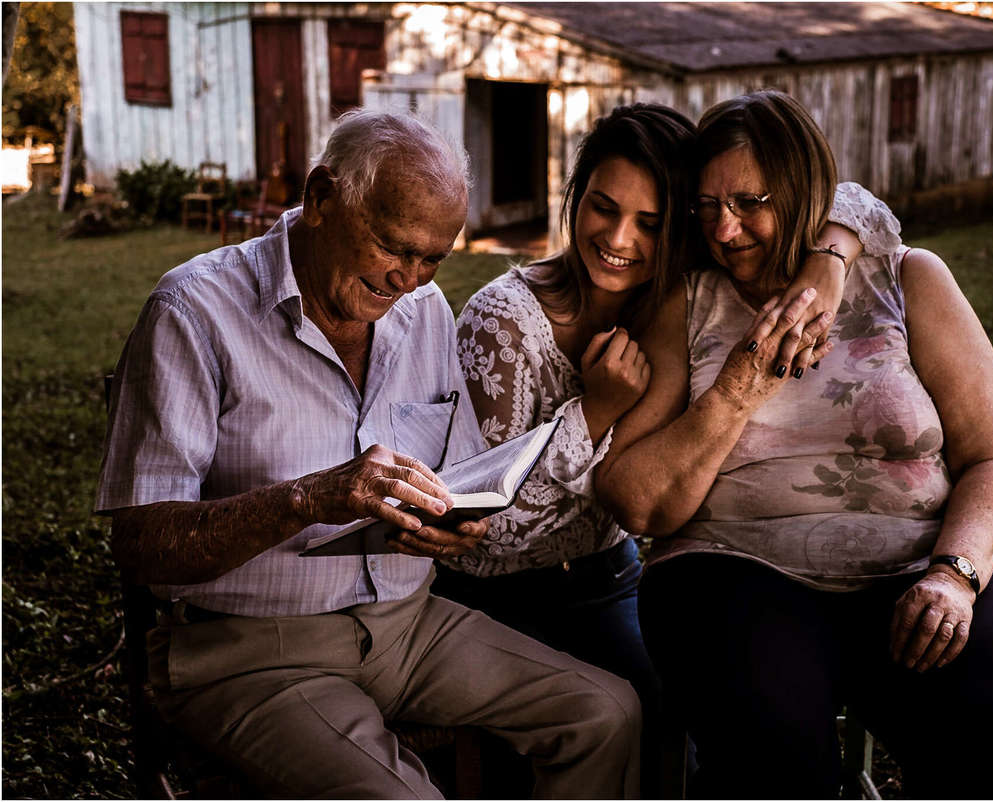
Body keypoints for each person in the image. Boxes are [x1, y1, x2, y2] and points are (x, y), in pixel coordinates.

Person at [95, 109, 641, 799]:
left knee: (606, 713)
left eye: (433, 258)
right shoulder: (194, 312)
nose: (407, 279)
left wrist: (455, 521)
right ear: (322, 199)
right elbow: (140, 545)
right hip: (250, 653)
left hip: (407, 626)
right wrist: (308, 498)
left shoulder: (426, 310)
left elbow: (457, 476)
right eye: (393, 246)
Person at [595, 90, 993, 799]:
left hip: (916, 564)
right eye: (706, 207)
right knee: (773, 760)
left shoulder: (907, 278)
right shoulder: (685, 303)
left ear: (809, 192)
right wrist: (744, 382)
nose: (724, 229)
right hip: (735, 567)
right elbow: (637, 503)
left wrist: (954, 575)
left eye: (750, 202)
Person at [434, 102, 903, 796]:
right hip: (499, 596)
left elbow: (857, 200)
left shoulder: (681, 306)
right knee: (605, 723)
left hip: (612, 575)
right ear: (576, 197)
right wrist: (595, 411)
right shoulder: (504, 323)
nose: (618, 239)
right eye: (602, 207)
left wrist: (830, 260)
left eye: (650, 224)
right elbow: (484, 532)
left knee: (699, 715)